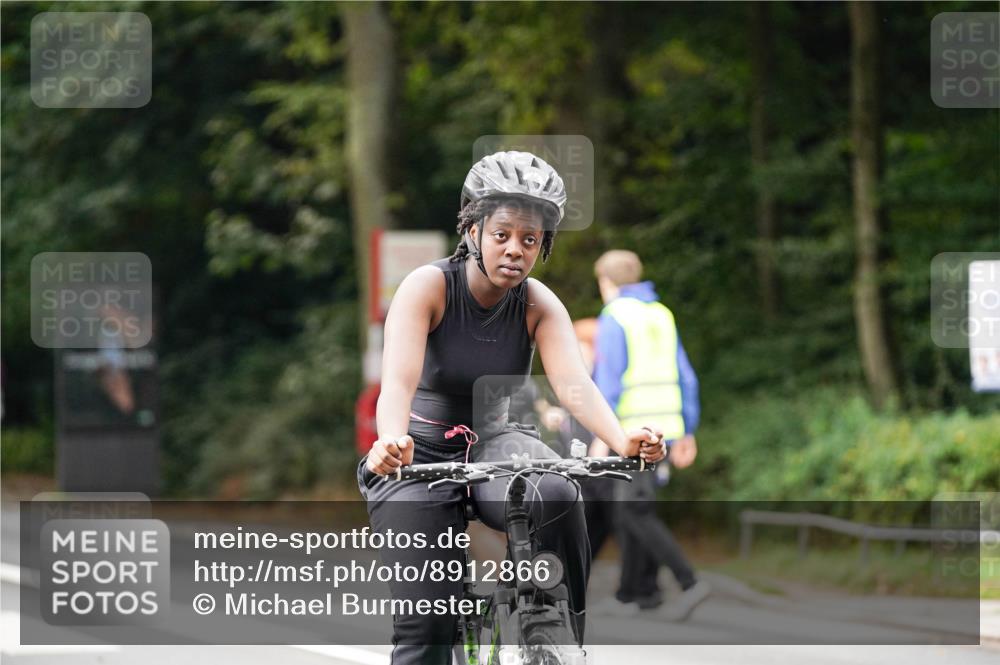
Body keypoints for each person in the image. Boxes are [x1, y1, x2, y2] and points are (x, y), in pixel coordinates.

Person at [357, 151, 668, 665]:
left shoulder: (539, 303)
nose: (515, 250)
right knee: (427, 626)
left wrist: (620, 439)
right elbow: (397, 383)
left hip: (496, 441)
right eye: (502, 234)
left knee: (557, 491)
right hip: (417, 452)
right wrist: (392, 441)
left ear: (543, 245)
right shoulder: (429, 287)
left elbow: (574, 385)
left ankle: (558, 631)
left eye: (530, 239)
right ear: (473, 229)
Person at [590, 249, 711, 621]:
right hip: (665, 431)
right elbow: (685, 374)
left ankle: (689, 582)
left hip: (631, 431)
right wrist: (687, 429)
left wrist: (600, 433)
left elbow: (608, 380)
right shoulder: (661, 313)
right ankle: (638, 594)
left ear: (606, 282)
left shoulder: (615, 316)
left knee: (633, 511)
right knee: (632, 511)